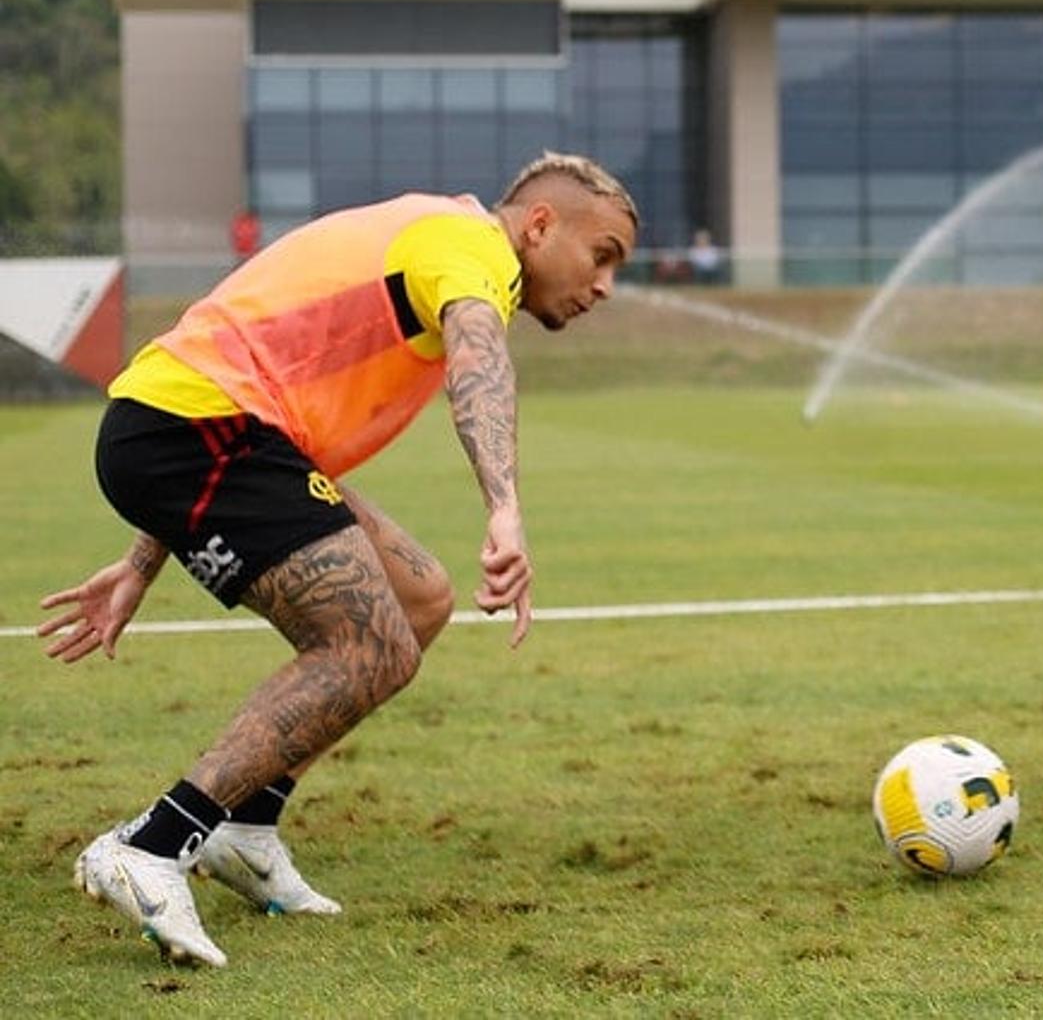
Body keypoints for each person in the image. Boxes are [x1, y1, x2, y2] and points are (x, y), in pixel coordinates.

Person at [38, 152, 638, 967]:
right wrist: (504, 508)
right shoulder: (470, 248)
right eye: (602, 254)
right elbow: (477, 358)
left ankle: (246, 828)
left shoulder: (442, 234)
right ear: (539, 225)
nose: (605, 284)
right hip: (195, 428)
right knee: (370, 643)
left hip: (209, 431)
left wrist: (143, 560)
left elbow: (249, 375)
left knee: (420, 597)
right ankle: (151, 844)